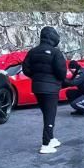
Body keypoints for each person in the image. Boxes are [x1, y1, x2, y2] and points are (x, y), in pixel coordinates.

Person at [22, 26, 67, 154]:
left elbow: (25, 69)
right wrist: (57, 80)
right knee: (50, 115)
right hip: (51, 88)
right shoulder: (56, 53)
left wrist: (35, 76)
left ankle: (51, 138)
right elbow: (61, 72)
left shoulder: (32, 52)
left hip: (37, 87)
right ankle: (45, 144)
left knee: (46, 113)